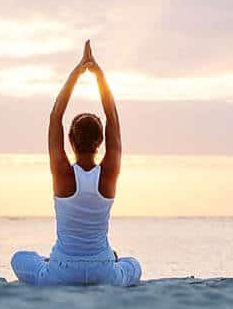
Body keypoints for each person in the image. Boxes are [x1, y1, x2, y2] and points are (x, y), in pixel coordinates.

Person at [10, 40, 141, 286]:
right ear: (101, 141)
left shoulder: (62, 174)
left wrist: (78, 72)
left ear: (70, 141)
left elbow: (55, 115)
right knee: (134, 265)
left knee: (19, 259)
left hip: (62, 270)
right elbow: (112, 114)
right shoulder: (109, 174)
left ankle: (48, 261)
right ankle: (110, 260)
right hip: (104, 269)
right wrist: (98, 74)